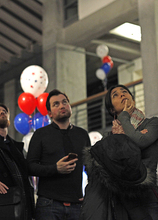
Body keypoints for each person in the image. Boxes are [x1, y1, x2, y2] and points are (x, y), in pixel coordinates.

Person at [80, 84, 158, 219]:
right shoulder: (108, 138)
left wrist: (124, 117)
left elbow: (139, 141)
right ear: (111, 109)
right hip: (120, 199)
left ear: (132, 99)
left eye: (125, 92)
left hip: (146, 196)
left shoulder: (152, 123)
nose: (122, 94)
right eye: (115, 95)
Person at [26, 89, 91, 220]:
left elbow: (91, 168)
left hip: (77, 204)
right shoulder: (40, 134)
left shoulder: (82, 134)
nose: (62, 106)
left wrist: (89, 195)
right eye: (56, 104)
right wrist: (55, 168)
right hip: (49, 204)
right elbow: (29, 167)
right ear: (49, 113)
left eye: (64, 102)